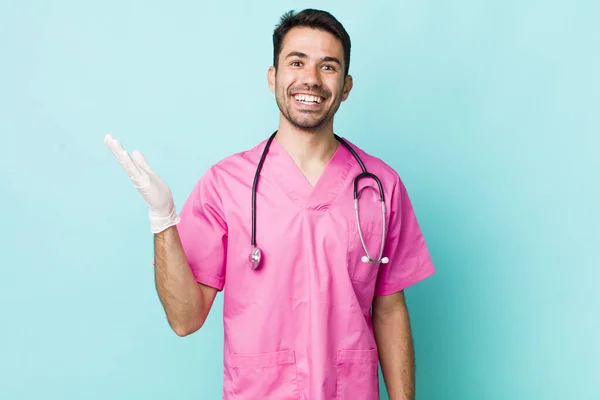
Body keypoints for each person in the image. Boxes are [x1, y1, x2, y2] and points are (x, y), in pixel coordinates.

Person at [105, 8, 435, 400]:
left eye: (328, 67)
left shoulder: (380, 187)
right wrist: (162, 220)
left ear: (346, 86)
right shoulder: (226, 184)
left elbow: (389, 309)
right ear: (273, 77)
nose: (310, 78)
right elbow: (185, 318)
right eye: (296, 62)